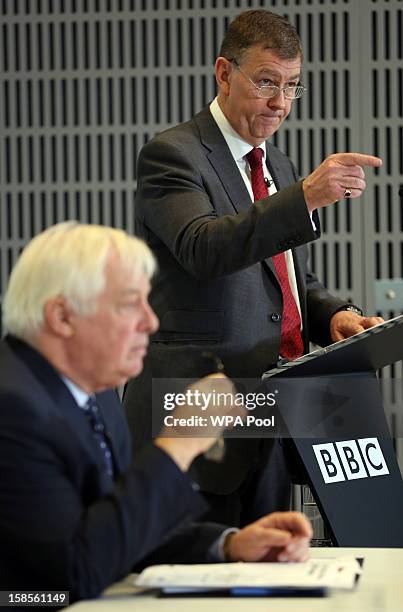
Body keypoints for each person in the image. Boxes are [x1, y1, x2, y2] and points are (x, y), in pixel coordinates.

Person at [123, 9, 383, 526]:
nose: (280, 103)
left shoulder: (279, 165)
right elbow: (203, 248)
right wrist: (305, 196)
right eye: (266, 82)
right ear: (224, 72)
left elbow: (287, 283)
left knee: (267, 580)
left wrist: (333, 315)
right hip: (194, 416)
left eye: (291, 86)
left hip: (273, 408)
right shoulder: (172, 154)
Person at [0, 222, 312, 606]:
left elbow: (116, 529)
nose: (150, 322)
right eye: (131, 303)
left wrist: (228, 544)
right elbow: (63, 581)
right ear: (62, 317)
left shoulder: (95, 394)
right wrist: (178, 444)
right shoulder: (13, 410)